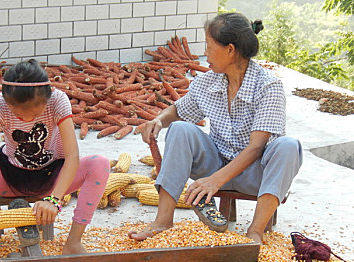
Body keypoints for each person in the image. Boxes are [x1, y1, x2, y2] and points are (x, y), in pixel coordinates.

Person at [129, 12, 303, 244]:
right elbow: (178, 110)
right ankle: (162, 221)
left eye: (209, 47)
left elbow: (256, 148)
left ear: (230, 50)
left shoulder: (268, 86)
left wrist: (215, 181)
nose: (206, 54)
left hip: (255, 174)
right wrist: (159, 120)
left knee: (289, 146)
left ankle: (255, 232)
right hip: (216, 163)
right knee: (180, 129)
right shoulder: (208, 80)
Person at [0, 59, 110, 262]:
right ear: (6, 101)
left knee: (100, 163)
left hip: (52, 177)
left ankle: (73, 242)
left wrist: (54, 200)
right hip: (9, 177)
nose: (26, 119)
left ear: (46, 99)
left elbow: (72, 157)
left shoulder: (57, 101)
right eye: (17, 113)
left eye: (35, 114)